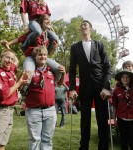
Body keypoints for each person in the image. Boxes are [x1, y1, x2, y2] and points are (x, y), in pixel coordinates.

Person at [69, 20, 112, 150]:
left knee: (102, 119)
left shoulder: (99, 45)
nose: (83, 27)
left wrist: (105, 87)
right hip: (85, 88)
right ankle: (84, 147)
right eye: (81, 26)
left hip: (101, 89)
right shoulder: (75, 47)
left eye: (85, 25)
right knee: (85, 121)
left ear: (91, 29)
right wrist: (72, 89)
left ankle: (103, 147)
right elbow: (71, 70)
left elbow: (108, 68)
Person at [1, 14, 61, 94]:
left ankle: (53, 86)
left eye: (49, 19)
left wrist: (54, 47)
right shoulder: (34, 33)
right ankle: (24, 91)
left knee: (59, 69)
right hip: (31, 57)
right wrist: (9, 43)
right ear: (41, 22)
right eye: (46, 19)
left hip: (42, 58)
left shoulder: (48, 38)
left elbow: (48, 54)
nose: (48, 21)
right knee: (28, 75)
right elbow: (20, 38)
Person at [0, 49, 30, 150]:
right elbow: (4, 95)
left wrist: (21, 82)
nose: (9, 61)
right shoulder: (0, 74)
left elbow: (16, 61)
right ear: (1, 58)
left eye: (11, 59)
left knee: (2, 143)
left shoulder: (10, 70)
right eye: (7, 57)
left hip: (9, 111)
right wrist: (19, 83)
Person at [25, 46, 65, 150]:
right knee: (35, 141)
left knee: (47, 140)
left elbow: (59, 84)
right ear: (35, 57)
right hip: (34, 111)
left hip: (50, 111)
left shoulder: (51, 71)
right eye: (40, 55)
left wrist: (64, 73)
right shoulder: (30, 71)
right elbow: (22, 87)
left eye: (44, 55)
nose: (43, 56)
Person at [112, 70, 133, 150]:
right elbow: (114, 106)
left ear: (130, 78)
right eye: (123, 77)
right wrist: (114, 118)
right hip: (121, 119)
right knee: (123, 139)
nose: (125, 79)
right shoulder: (116, 91)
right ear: (120, 79)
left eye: (127, 77)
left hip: (132, 119)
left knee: (132, 140)